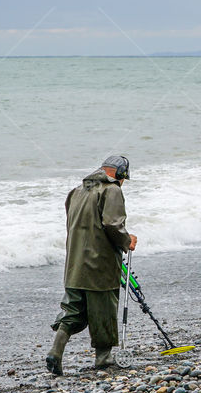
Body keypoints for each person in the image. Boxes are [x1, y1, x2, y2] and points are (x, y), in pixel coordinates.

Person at [46, 155, 137, 375]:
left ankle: (55, 352)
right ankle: (104, 359)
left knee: (73, 310)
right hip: (100, 265)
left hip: (74, 265)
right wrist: (127, 240)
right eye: (123, 179)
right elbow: (112, 224)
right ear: (120, 174)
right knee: (103, 310)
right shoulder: (111, 190)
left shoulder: (76, 191)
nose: (122, 184)